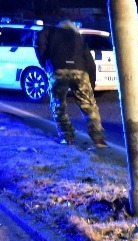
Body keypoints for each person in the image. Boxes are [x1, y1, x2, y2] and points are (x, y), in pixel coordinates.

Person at [34, 20, 107, 148]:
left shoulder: (50, 32)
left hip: (58, 70)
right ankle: (98, 139)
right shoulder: (77, 37)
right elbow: (90, 62)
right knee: (88, 105)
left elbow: (38, 44)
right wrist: (92, 85)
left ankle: (67, 137)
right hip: (80, 70)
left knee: (58, 105)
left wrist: (46, 64)